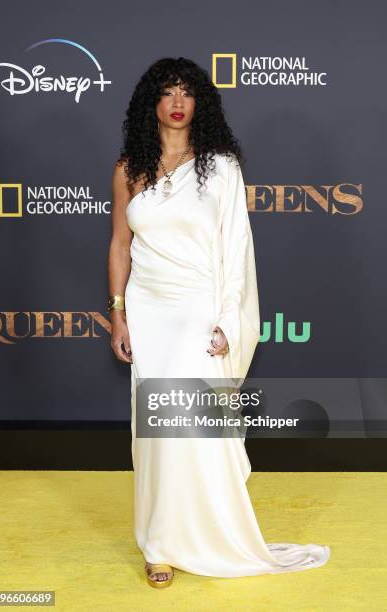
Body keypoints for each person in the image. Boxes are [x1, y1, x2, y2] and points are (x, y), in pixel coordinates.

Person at [107, 57, 330, 588]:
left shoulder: (222, 168)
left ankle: (210, 536)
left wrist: (228, 318)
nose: (178, 102)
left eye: (188, 92)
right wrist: (118, 313)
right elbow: (120, 243)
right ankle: (159, 544)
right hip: (149, 309)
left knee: (199, 431)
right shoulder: (128, 169)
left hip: (198, 310)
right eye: (168, 92)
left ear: (200, 103)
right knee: (158, 433)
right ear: (152, 104)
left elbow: (237, 250)